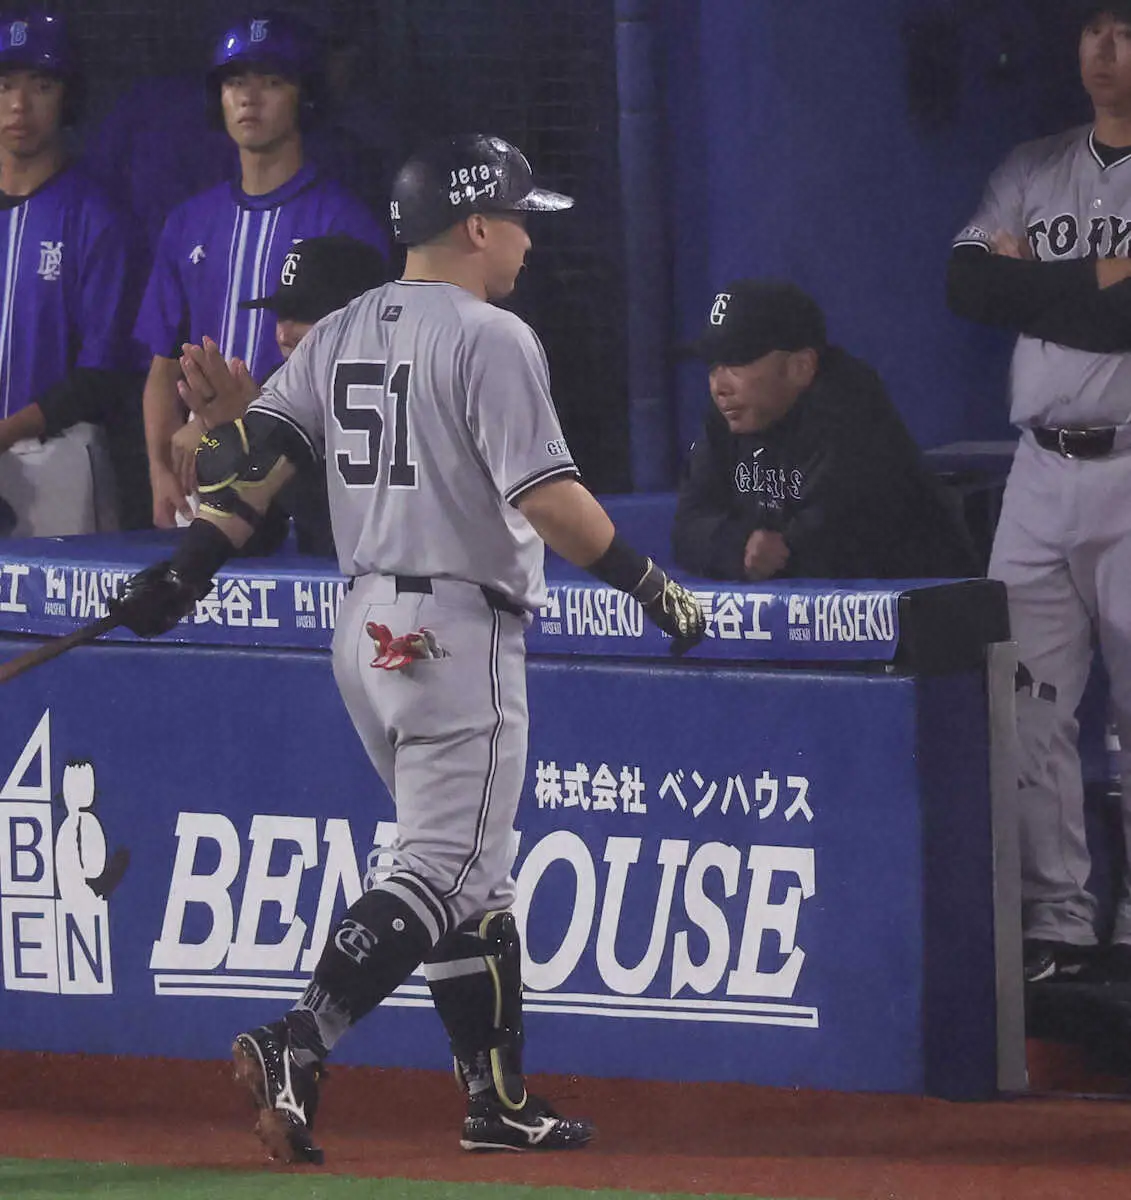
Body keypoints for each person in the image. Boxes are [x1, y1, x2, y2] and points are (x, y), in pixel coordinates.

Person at [109, 132, 705, 1164]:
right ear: (476, 225)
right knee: (446, 860)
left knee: (472, 878)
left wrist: (192, 562)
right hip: (453, 629)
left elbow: (256, 465)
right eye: (519, 218)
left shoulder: (339, 329)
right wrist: (652, 586)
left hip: (366, 629)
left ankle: (495, 1102)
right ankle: (303, 1038)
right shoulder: (491, 335)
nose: (526, 238)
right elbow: (549, 500)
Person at [947, 2, 1131, 985]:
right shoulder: (1030, 164)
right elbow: (968, 289)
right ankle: (1057, 921)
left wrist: (1043, 286)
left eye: (1127, 32)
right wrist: (1093, 284)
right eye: (1094, 30)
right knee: (1021, 702)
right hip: (1039, 468)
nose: (1105, 51)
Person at [136, 12, 388, 531]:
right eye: (235, 82)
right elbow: (162, 366)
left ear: (304, 97)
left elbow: (362, 371)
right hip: (204, 451)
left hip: (307, 458)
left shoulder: (345, 222)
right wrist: (160, 471)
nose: (250, 98)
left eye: (273, 82)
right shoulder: (188, 221)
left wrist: (213, 426)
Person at [672, 280, 980, 581]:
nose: (719, 386)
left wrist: (754, 549)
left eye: (736, 364)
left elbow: (825, 542)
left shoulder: (848, 410)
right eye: (713, 367)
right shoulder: (730, 413)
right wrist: (736, 546)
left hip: (918, 609)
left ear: (801, 367)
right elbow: (687, 528)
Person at [0, 13, 143, 536]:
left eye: (41, 85)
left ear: (68, 98)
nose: (19, 105)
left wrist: (7, 431)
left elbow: (103, 374)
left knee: (58, 617)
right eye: (4, 84)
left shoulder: (98, 215)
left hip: (62, 457)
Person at [177, 233, 389, 556]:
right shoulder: (280, 386)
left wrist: (269, 448)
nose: (283, 335)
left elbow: (359, 531)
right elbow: (256, 541)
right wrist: (229, 442)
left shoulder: (402, 390)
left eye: (305, 314)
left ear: (360, 317)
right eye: (280, 314)